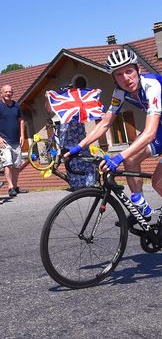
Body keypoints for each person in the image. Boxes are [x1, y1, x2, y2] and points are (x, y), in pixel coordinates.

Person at [66, 48, 162, 222]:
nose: (126, 78)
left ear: (138, 70)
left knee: (158, 182)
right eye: (119, 74)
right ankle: (141, 209)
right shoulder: (119, 92)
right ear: (114, 78)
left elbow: (150, 133)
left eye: (129, 71)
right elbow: (105, 123)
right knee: (130, 159)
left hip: (156, 130)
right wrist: (79, 146)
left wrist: (118, 157)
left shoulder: (152, 85)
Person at [0, 85, 28, 197]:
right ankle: (10, 187)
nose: (8, 94)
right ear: (1, 93)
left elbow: (21, 120)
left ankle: (15, 186)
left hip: (16, 140)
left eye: (10, 92)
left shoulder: (16, 105)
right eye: (6, 92)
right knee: (7, 162)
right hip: (4, 141)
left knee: (17, 164)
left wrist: (22, 135)